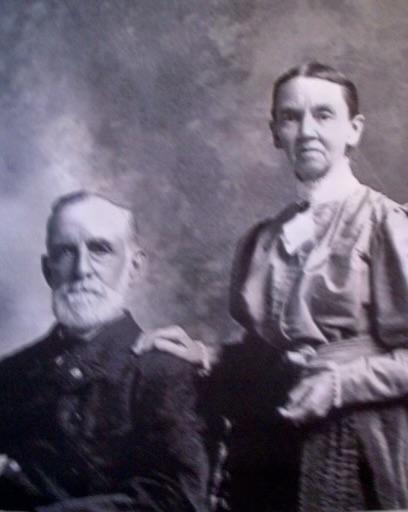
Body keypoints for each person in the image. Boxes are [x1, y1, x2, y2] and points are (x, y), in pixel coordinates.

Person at [139, 62, 408, 512]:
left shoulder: (386, 225)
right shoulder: (263, 238)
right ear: (275, 133)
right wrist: (206, 354)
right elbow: (266, 353)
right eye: (291, 117)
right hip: (269, 441)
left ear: (354, 130)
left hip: (359, 446)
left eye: (324, 115)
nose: (307, 131)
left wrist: (340, 383)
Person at [0, 191, 210, 512]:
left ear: (135, 267)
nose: (82, 269)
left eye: (100, 250)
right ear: (48, 270)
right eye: (65, 252)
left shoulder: (162, 371)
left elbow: (180, 498)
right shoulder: (11, 373)